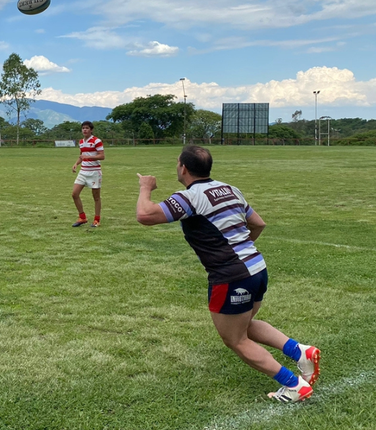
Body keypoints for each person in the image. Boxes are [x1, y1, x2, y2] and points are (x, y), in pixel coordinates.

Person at [135, 145, 320, 403]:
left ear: (183, 168)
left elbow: (145, 215)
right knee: (244, 326)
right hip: (256, 267)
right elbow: (258, 223)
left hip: (232, 275)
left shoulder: (189, 197)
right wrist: (241, 249)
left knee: (235, 339)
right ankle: (302, 352)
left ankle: (294, 385)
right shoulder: (230, 189)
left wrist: (146, 187)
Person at [71, 121, 104, 227]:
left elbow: (102, 156)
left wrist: (89, 157)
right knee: (74, 194)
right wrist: (76, 163)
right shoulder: (81, 142)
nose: (84, 130)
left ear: (91, 130)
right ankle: (82, 217)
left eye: (87, 128)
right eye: (83, 128)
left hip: (94, 172)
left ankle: (97, 220)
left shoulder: (96, 141)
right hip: (83, 171)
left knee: (96, 197)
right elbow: (82, 155)